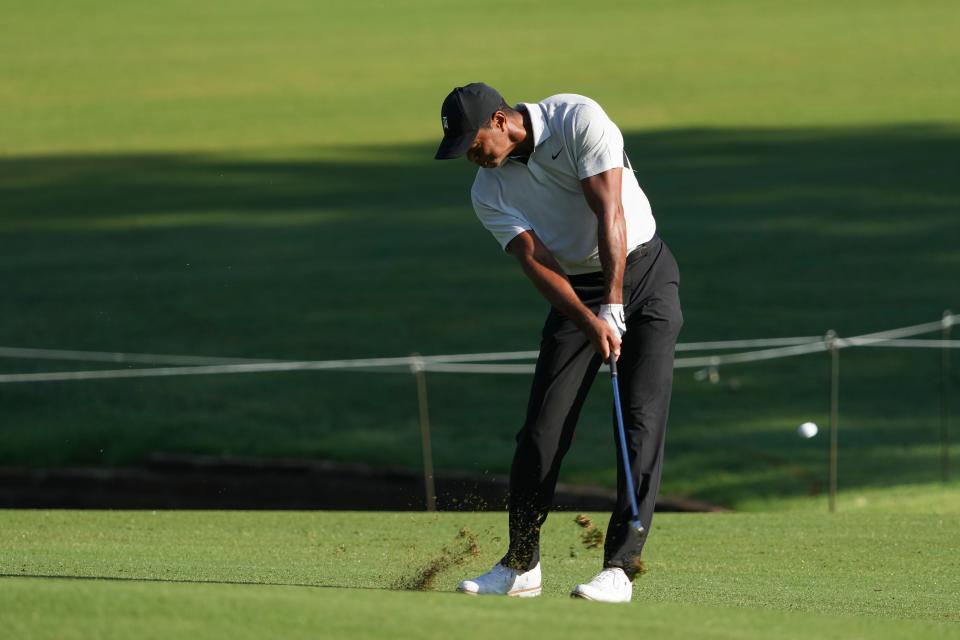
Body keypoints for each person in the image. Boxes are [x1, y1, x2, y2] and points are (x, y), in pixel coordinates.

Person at [434, 83, 683, 603]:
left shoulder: (578, 120)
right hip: (574, 293)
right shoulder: (487, 190)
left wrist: (614, 306)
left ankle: (619, 566)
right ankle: (521, 564)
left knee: (639, 423)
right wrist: (591, 319)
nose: (472, 158)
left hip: (645, 275)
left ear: (500, 121)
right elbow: (536, 262)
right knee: (542, 432)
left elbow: (608, 211)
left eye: (474, 143)